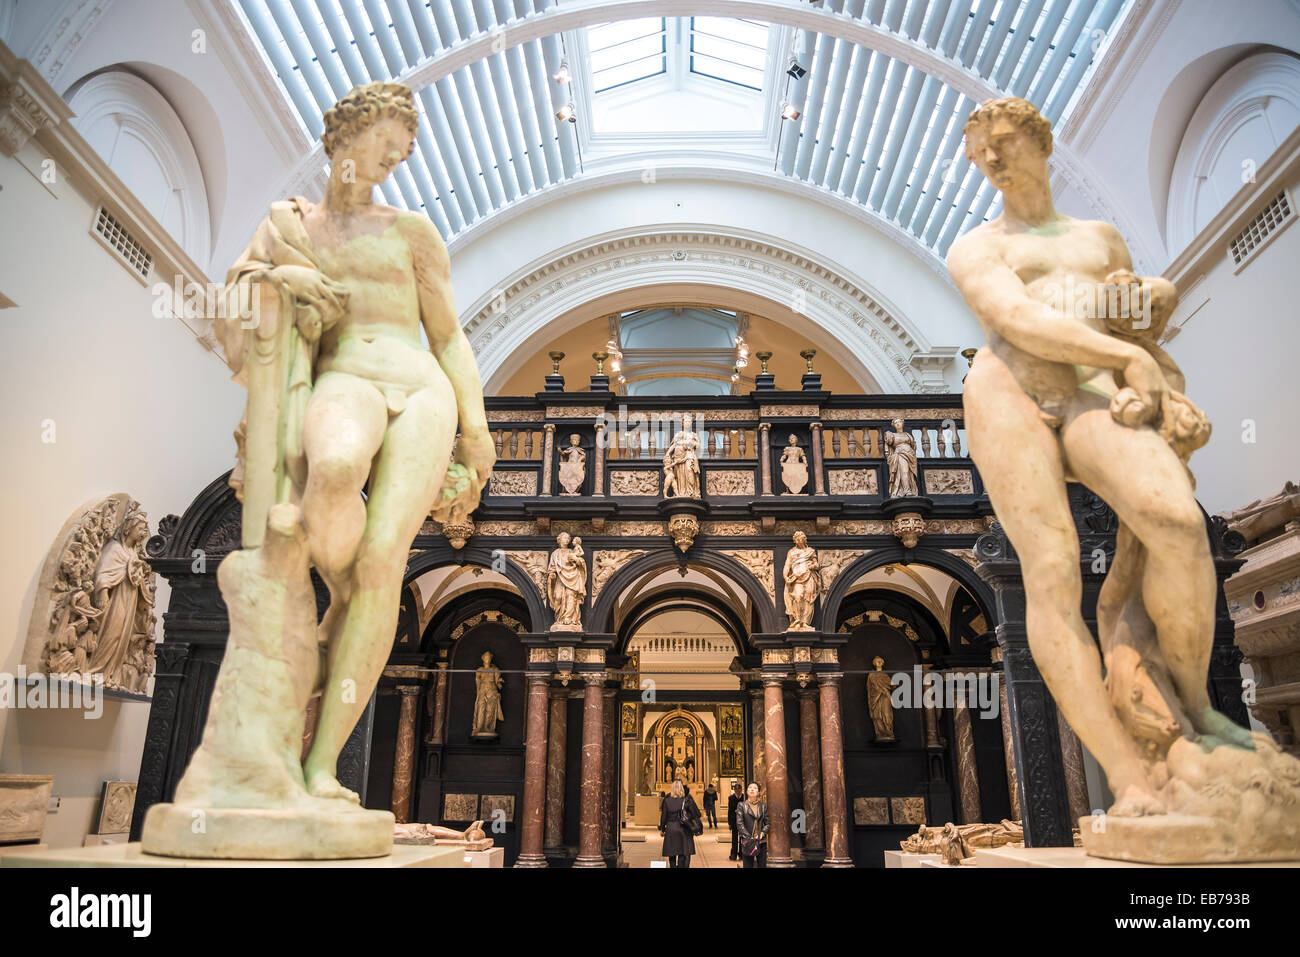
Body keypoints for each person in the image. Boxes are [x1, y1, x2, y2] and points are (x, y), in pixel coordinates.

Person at [947, 96, 1253, 816]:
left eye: (1004, 140)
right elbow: (1017, 319)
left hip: (1093, 392)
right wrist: (1122, 349)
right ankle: (1130, 775)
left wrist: (1148, 315)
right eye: (979, 149)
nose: (992, 157)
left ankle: (1197, 714)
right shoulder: (979, 246)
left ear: (1039, 140)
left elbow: (1140, 316)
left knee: (1174, 522)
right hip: (1009, 394)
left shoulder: (1103, 237)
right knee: (1050, 573)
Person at [658, 779, 701, 868]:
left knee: (672, 854)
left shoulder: (667, 800)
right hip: (683, 828)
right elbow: (695, 814)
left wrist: (662, 829)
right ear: (682, 788)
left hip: (670, 828)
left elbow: (664, 816)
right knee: (682, 853)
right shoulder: (686, 799)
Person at [735, 782, 769, 868]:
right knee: (747, 865)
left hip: (761, 842)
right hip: (748, 842)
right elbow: (739, 824)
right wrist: (748, 837)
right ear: (746, 791)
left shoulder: (762, 806)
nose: (752, 789)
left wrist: (762, 833)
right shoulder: (741, 805)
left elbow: (768, 823)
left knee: (762, 865)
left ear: (758, 792)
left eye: (755, 788)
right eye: (750, 787)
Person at [727, 782, 743, 860]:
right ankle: (733, 854)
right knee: (734, 838)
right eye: (736, 790)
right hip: (734, 820)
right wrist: (729, 823)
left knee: (742, 838)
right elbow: (730, 810)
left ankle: (742, 854)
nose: (738, 791)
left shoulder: (744, 797)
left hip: (743, 821)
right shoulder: (731, 798)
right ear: (734, 790)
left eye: (739, 790)